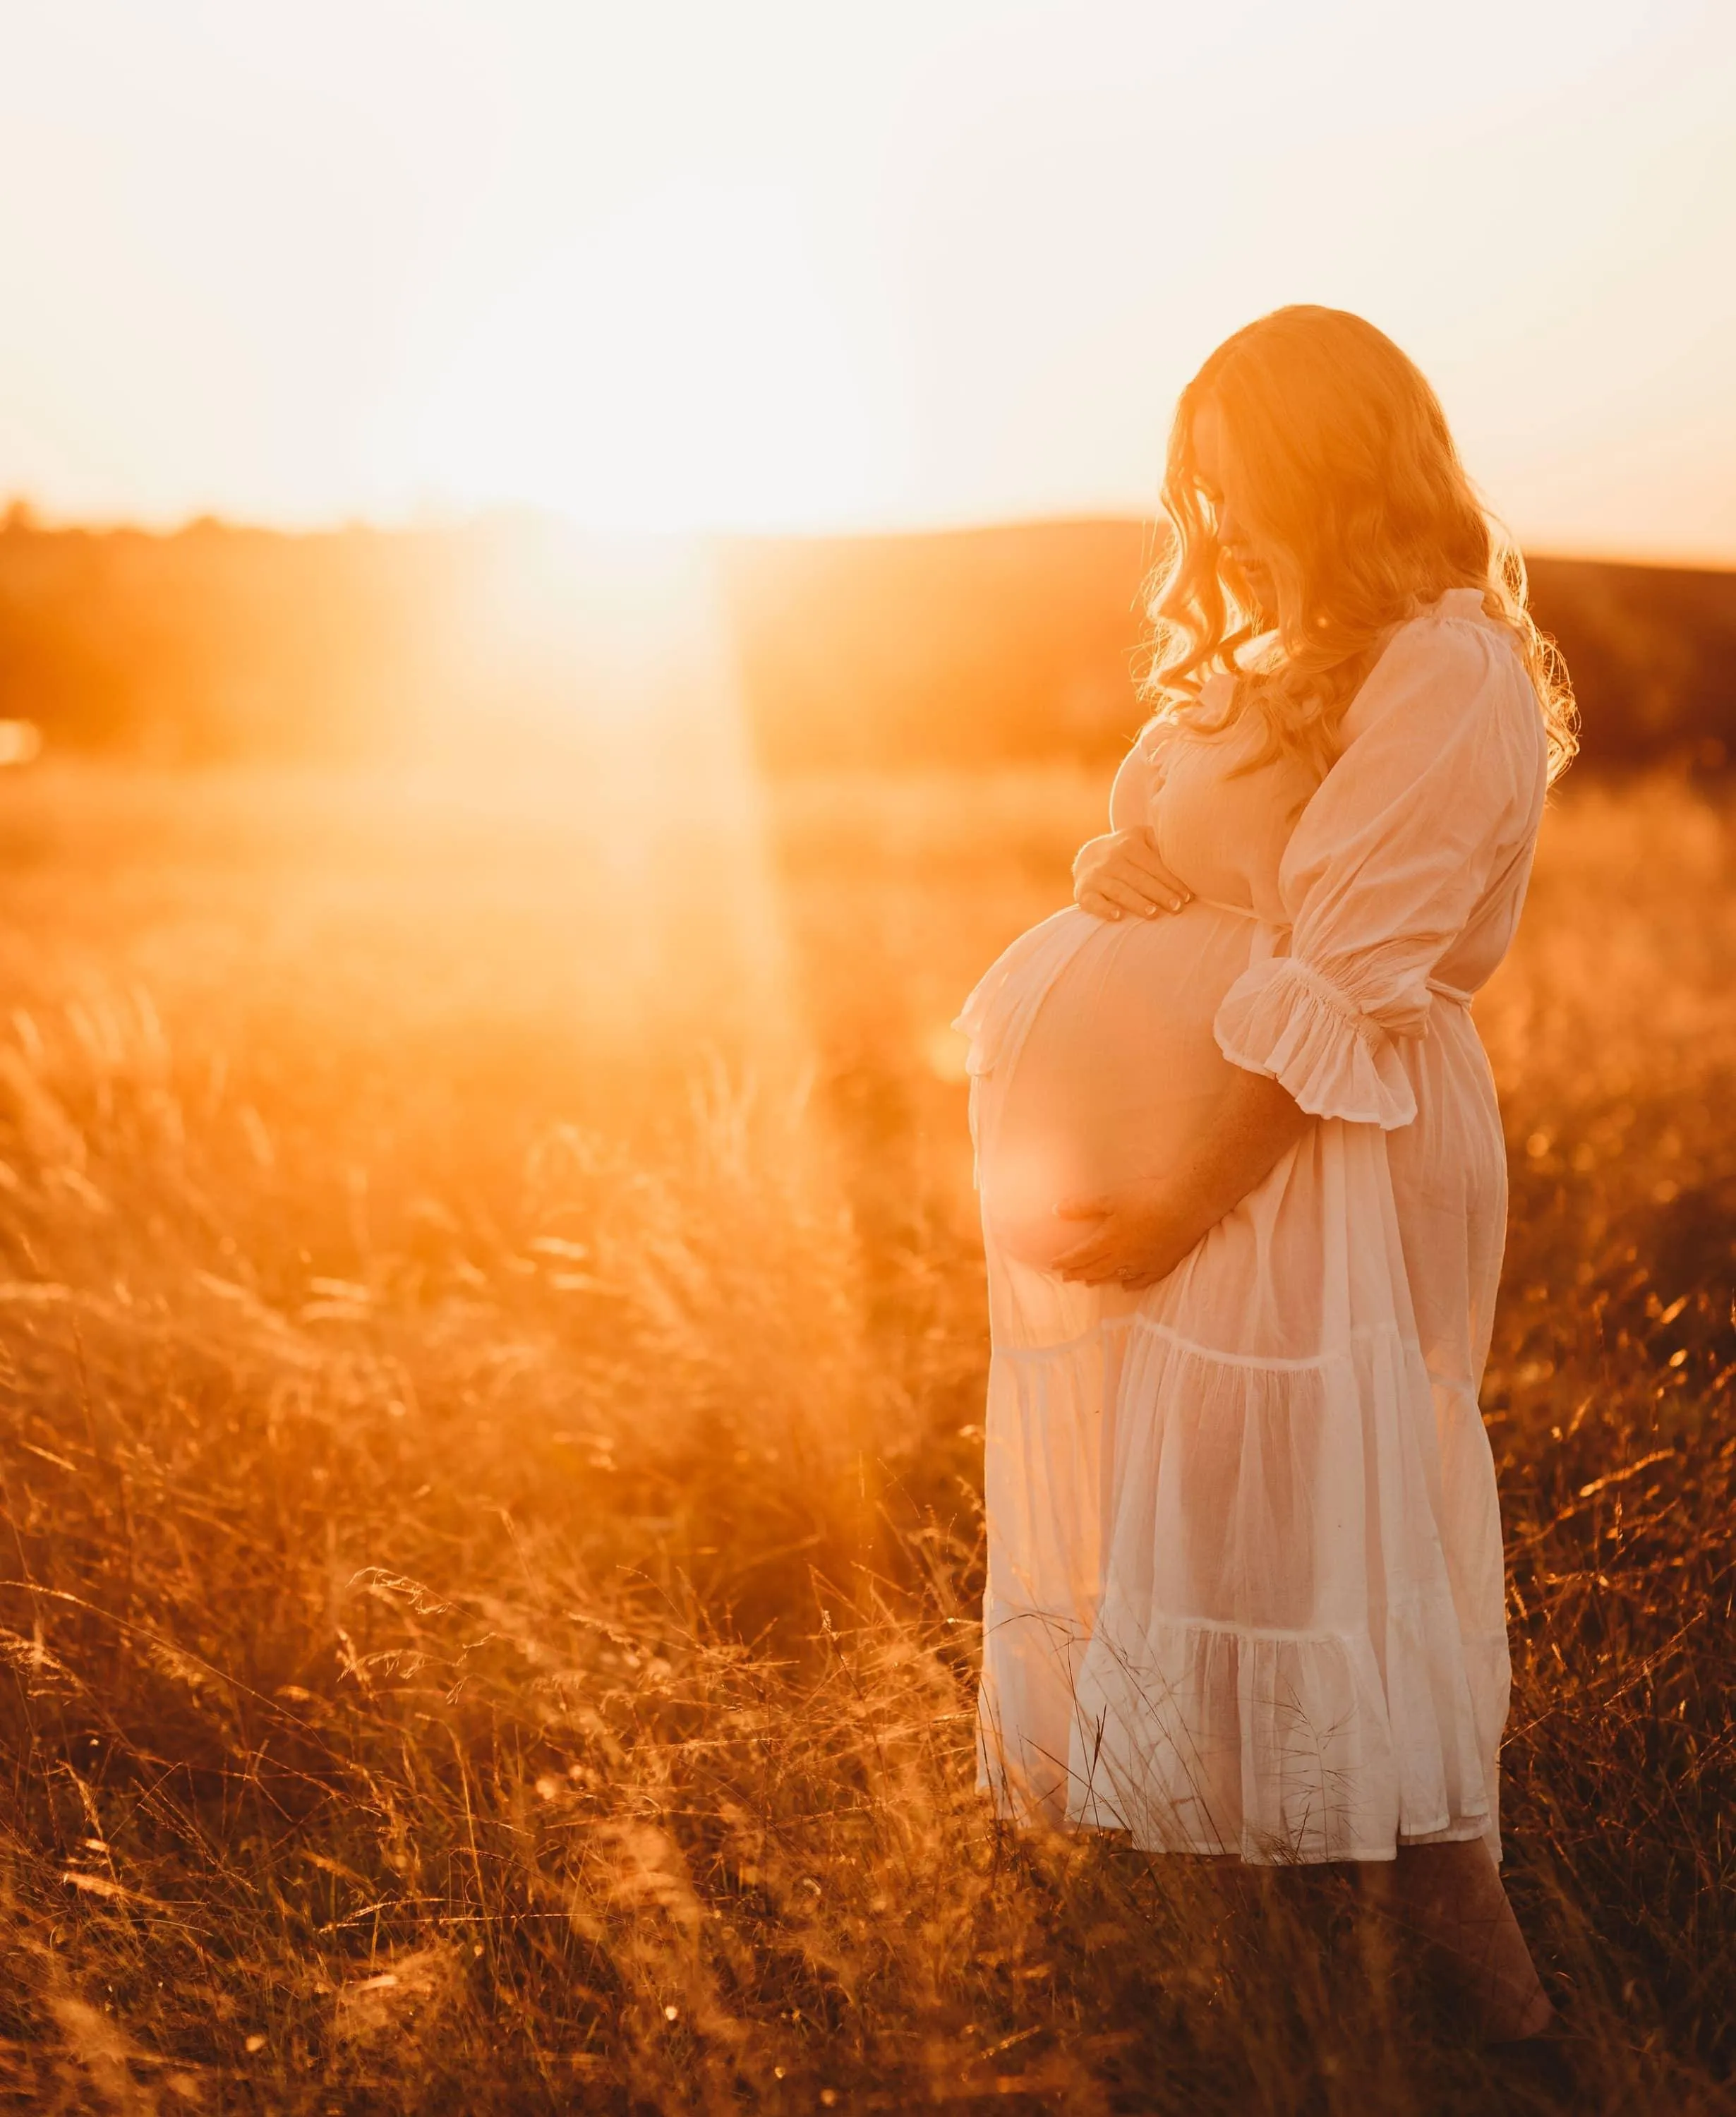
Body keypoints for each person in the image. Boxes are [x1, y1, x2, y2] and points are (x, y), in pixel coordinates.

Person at [955, 305, 1575, 2041]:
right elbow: (1196, 857)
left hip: (1317, 1156)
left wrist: (1176, 1204)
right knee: (1231, 1537)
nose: (1218, 529)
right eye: (1197, 494)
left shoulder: (1445, 669)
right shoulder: (1297, 646)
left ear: (1334, 466)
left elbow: (1345, 988)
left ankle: (1503, 2011)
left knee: (1340, 1534)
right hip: (1222, 1148)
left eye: (1243, 487)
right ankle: (1280, 1989)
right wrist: (1111, 861)